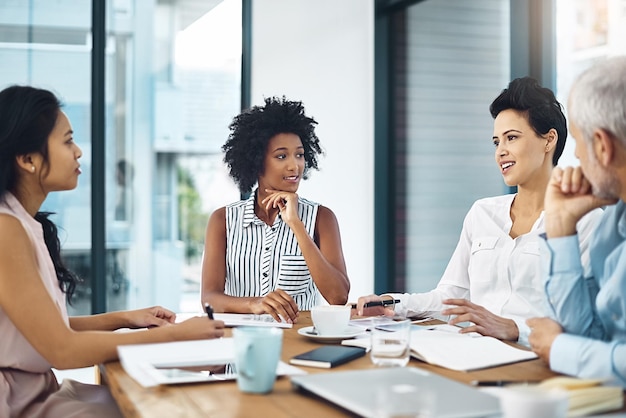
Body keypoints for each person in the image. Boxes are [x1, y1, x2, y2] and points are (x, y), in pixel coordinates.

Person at [0, 85, 225, 417]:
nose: (78, 152)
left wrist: (125, 318)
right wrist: (176, 337)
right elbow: (61, 349)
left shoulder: (19, 222)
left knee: (157, 400)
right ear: (28, 159)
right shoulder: (6, 229)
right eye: (67, 141)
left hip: (35, 392)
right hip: (18, 404)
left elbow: (43, 330)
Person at [355, 77, 602, 344]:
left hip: (537, 362)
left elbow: (585, 325)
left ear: (549, 140)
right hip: (473, 351)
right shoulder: (482, 212)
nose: (501, 152)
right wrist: (392, 303)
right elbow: (451, 296)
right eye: (497, 142)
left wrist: (514, 328)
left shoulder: (587, 222)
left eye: (512, 138)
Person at [201, 96, 350, 324]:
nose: (294, 166)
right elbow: (209, 299)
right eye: (281, 156)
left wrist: (297, 226)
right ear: (257, 161)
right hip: (242, 349)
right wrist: (256, 303)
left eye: (299, 155)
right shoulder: (223, 220)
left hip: (300, 351)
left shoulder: (322, 218)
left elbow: (338, 297)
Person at [527, 56, 626, 386]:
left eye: (581, 143)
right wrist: (559, 226)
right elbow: (590, 333)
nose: (578, 157)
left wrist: (560, 349)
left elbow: (571, 343)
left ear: (602, 145)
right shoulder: (614, 221)